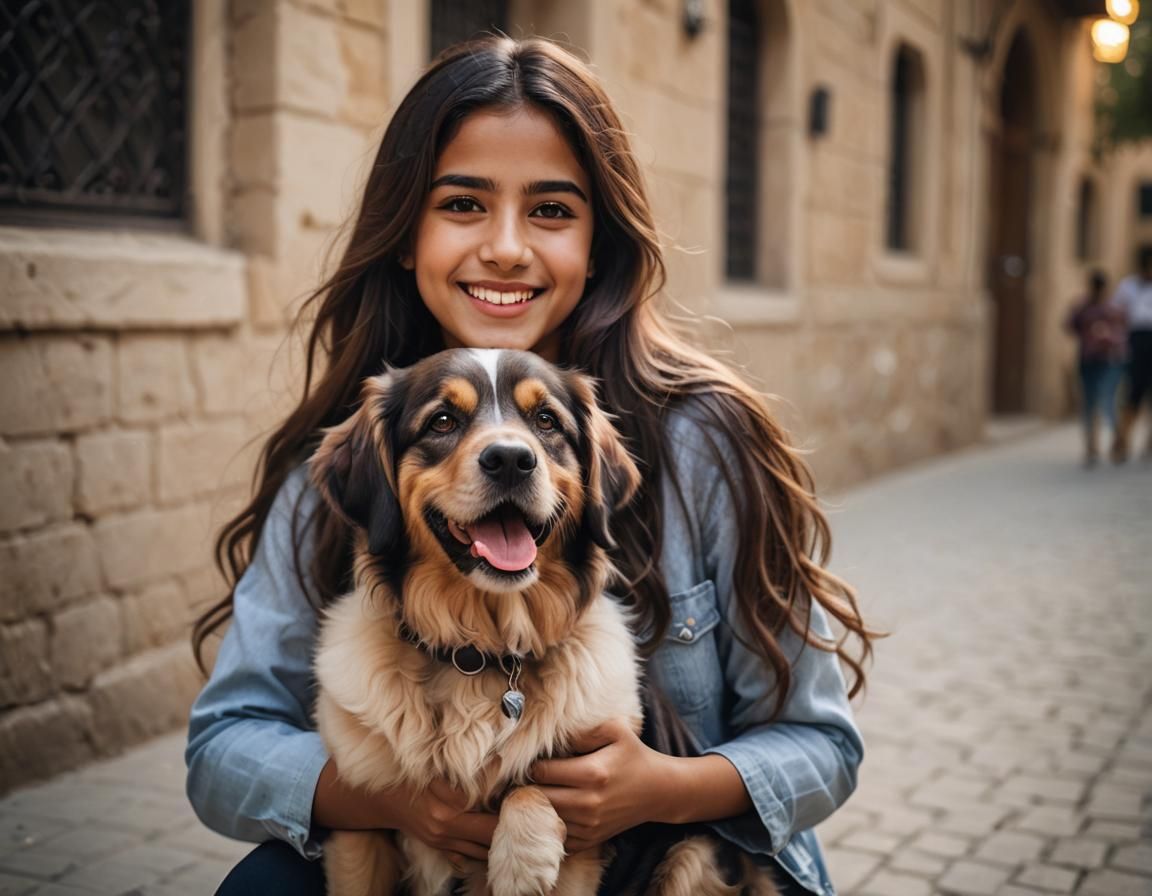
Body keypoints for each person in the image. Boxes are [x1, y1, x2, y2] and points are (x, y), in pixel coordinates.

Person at [186, 37, 876, 896]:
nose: (507, 248)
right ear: (408, 235)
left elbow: (824, 748)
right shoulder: (357, 447)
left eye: (551, 211)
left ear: (598, 244)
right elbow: (221, 751)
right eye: (464, 204)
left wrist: (658, 791)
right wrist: (399, 804)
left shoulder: (706, 438)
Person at [1064, 270, 1126, 467]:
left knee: (1106, 401)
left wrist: (1106, 336)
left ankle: (1117, 442)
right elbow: (1070, 326)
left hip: (1108, 361)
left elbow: (1123, 335)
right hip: (1089, 360)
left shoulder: (1112, 309)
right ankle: (1092, 447)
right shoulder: (1084, 308)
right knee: (1090, 402)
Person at [1109, 246, 1152, 463]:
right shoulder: (1128, 286)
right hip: (1137, 340)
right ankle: (1122, 441)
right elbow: (1115, 312)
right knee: (1133, 393)